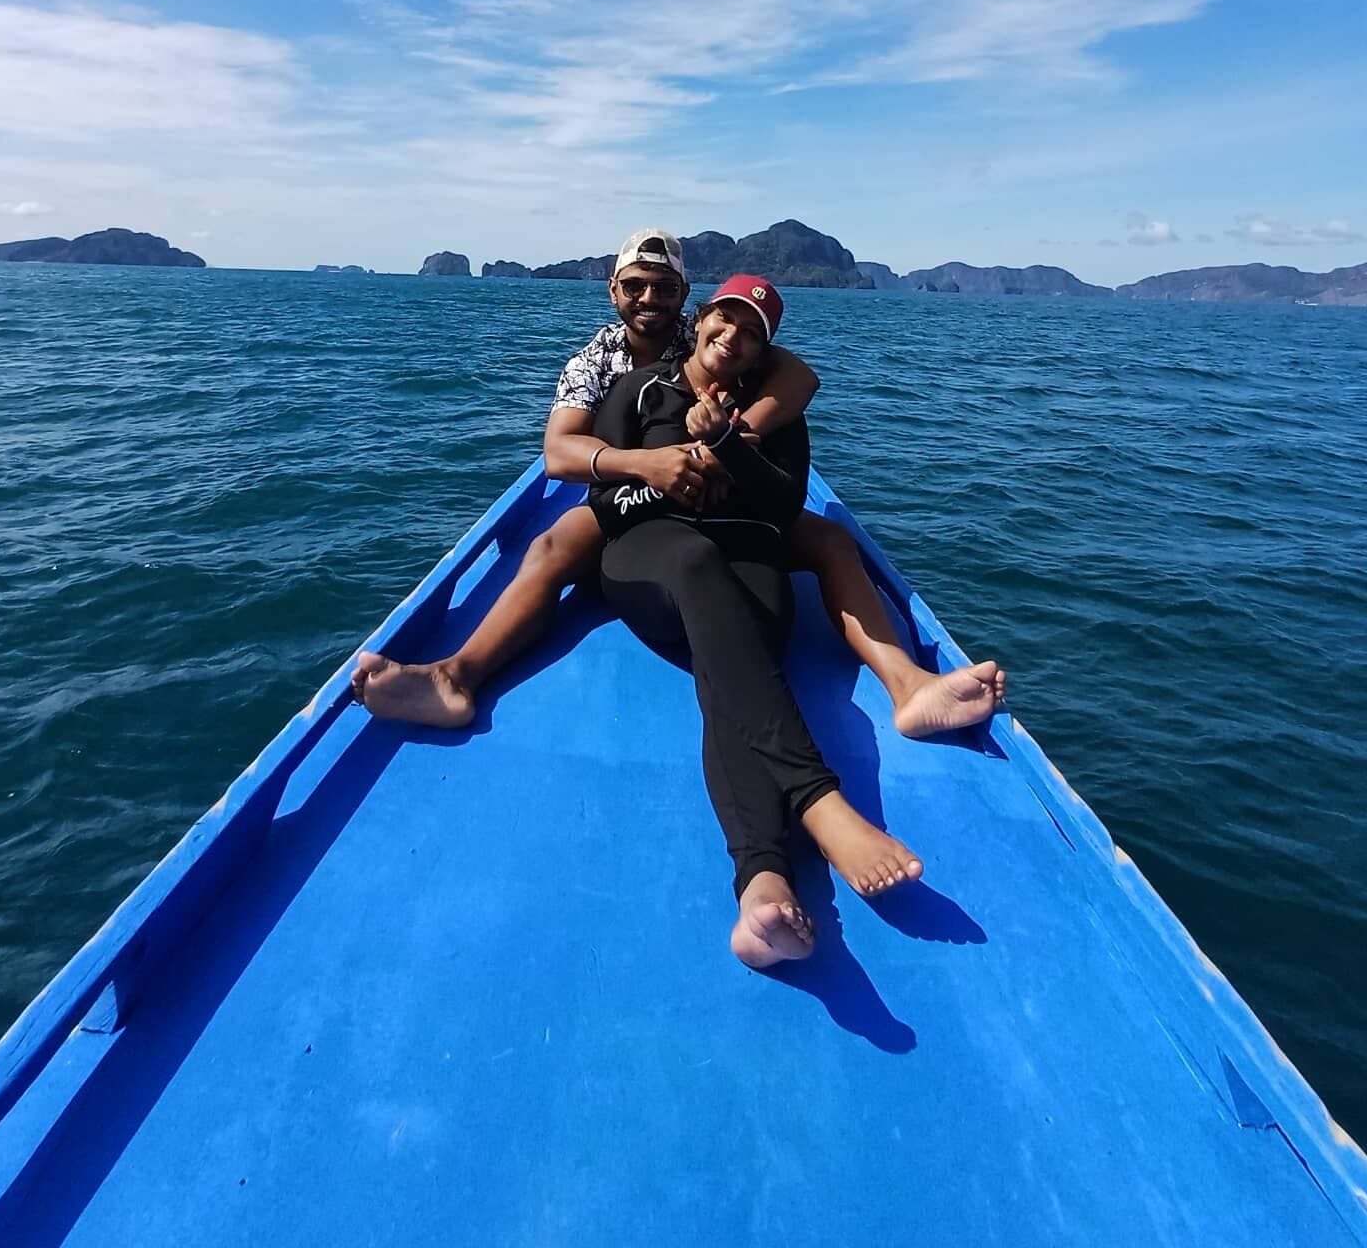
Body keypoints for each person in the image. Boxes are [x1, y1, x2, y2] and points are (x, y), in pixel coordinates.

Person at [353, 227, 1006, 734]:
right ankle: (457, 677)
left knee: (833, 543)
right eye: (635, 286)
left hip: (724, 499)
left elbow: (800, 378)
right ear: (613, 290)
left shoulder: (711, 337)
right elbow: (558, 454)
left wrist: (734, 439)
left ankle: (908, 686)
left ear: (685, 299)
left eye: (664, 288)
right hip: (638, 500)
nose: (649, 300)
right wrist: (647, 465)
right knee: (553, 545)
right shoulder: (597, 361)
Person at [590, 274, 920, 970]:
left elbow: (781, 507)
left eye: (753, 334)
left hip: (749, 556)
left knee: (740, 662)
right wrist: (667, 479)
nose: (733, 338)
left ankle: (763, 888)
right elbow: (601, 505)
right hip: (652, 552)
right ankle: (821, 803)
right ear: (703, 317)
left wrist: (732, 446)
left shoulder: (775, 413)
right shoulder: (640, 391)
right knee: (698, 565)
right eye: (726, 320)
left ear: (763, 351)